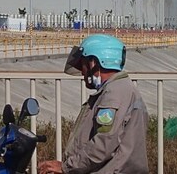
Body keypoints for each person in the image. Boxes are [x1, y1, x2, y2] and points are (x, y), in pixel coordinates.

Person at [37, 34, 149, 174]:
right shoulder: (118, 89)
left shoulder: (114, 94)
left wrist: (66, 167)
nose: (82, 72)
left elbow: (103, 144)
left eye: (83, 64)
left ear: (93, 63)